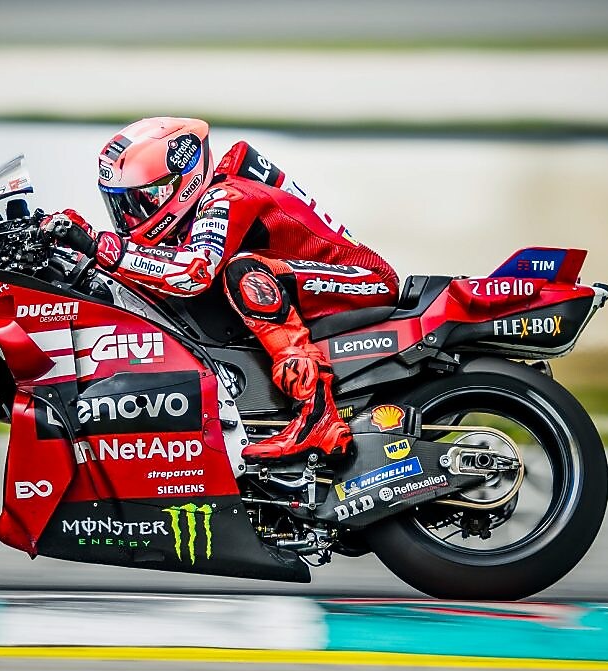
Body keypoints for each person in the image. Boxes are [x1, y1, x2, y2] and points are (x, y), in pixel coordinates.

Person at [43, 117, 398, 463]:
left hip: (367, 280)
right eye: (121, 204)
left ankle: (318, 416)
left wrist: (102, 247)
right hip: (306, 281)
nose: (131, 217)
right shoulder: (200, 205)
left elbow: (194, 272)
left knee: (244, 273)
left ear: (181, 183)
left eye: (142, 200)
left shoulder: (225, 196)